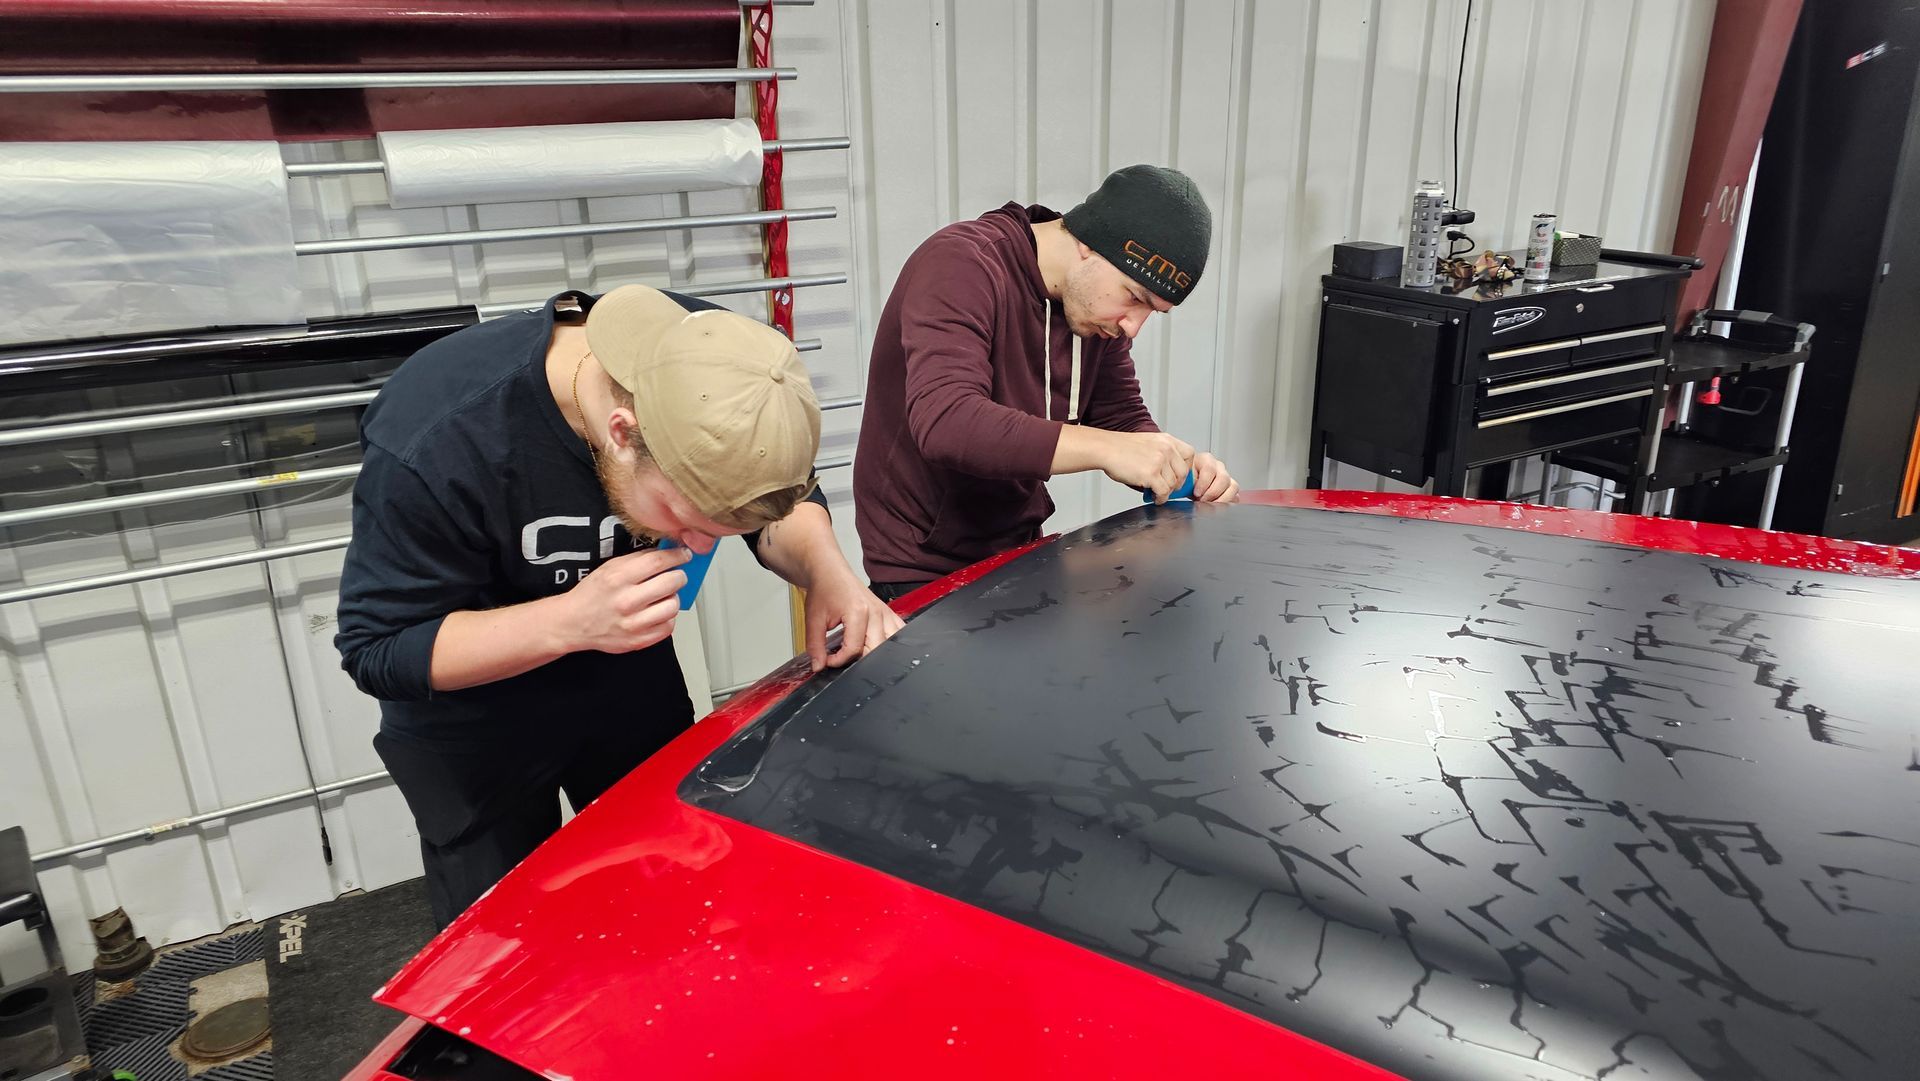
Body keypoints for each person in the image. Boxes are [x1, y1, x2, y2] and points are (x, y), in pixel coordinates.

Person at [335, 284, 903, 927]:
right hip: (474, 725)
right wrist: (567, 622)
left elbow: (776, 500)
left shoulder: (717, 358)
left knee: (671, 905)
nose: (690, 548)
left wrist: (828, 571)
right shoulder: (439, 431)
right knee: (507, 944)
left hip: (627, 685)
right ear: (623, 431)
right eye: (682, 519)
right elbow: (378, 648)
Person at [853, 164, 1239, 599]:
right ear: (1090, 246)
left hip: (1018, 552)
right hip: (922, 567)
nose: (1133, 327)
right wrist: (1108, 449)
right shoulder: (962, 265)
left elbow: (1120, 417)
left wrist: (1176, 466)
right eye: (1135, 298)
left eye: (1154, 311)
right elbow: (947, 421)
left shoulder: (1094, 314)